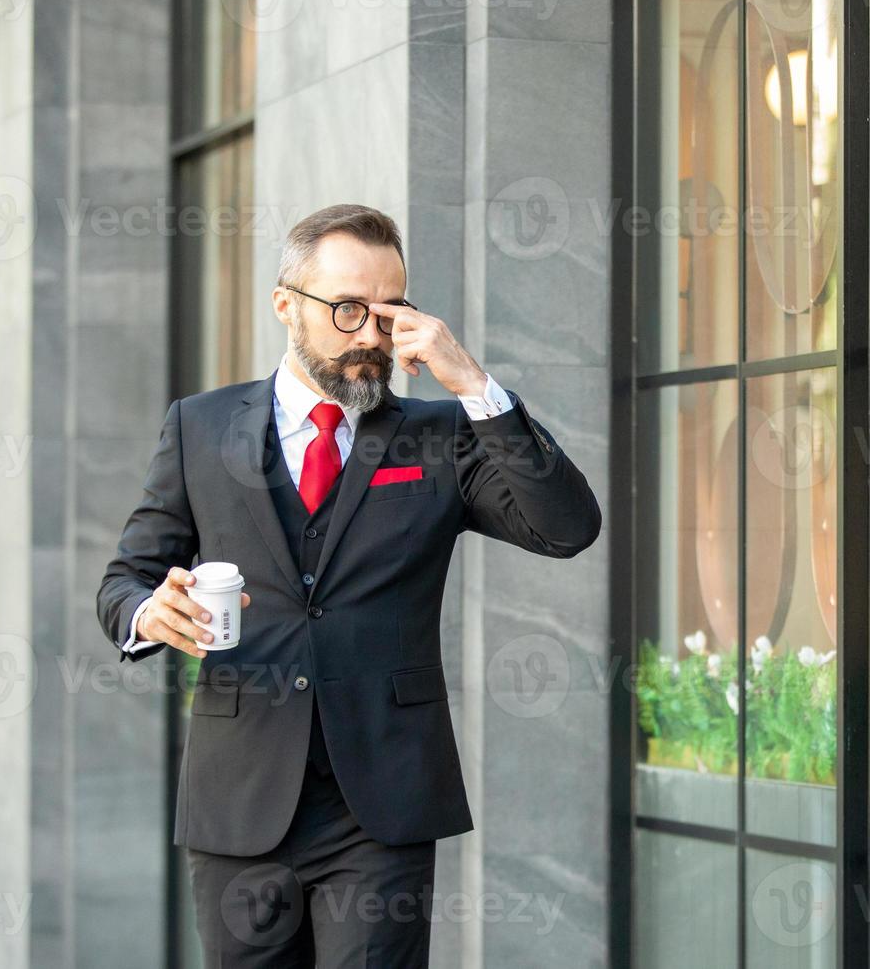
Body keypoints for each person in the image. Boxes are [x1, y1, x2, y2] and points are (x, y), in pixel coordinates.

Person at [96, 204, 600, 967]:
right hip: (240, 796)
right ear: (285, 304)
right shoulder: (199, 429)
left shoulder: (440, 435)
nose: (371, 334)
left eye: (390, 311)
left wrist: (473, 385)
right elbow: (125, 578)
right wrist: (147, 613)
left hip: (382, 803)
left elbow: (566, 527)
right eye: (348, 309)